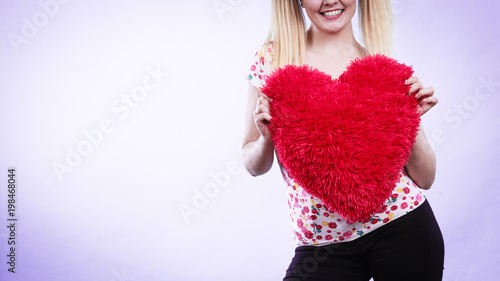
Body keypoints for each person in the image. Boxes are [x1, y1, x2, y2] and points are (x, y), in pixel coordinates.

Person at [241, 0, 444, 280]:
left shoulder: (378, 68)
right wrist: (265, 138)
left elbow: (426, 178)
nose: (330, 0)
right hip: (321, 246)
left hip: (403, 228)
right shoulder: (273, 60)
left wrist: (410, 120)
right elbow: (253, 165)